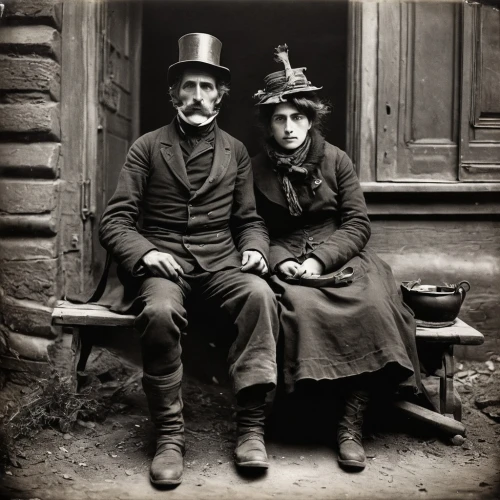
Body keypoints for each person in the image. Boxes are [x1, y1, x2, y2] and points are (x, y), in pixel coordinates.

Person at [98, 34, 278, 486]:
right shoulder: (146, 147)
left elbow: (248, 219)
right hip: (164, 264)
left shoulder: (235, 151)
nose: (197, 96)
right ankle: (170, 437)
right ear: (174, 93)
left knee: (259, 296)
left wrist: (255, 247)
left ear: (220, 95)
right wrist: (148, 253)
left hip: (220, 262)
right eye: (189, 86)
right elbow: (115, 222)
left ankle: (251, 430)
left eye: (206, 87)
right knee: (158, 311)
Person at [251, 45, 421, 471]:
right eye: (279, 119)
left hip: (343, 253)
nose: (289, 127)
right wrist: (278, 260)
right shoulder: (255, 170)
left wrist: (321, 260)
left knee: (372, 305)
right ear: (268, 124)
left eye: (297, 118)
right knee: (300, 308)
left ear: (310, 119)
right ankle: (310, 413)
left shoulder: (336, 160)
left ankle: (351, 421)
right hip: (287, 254)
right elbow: (251, 225)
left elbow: (358, 224)